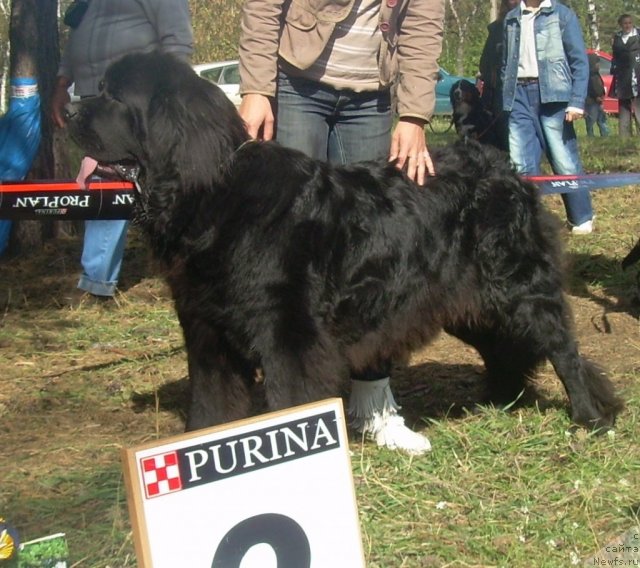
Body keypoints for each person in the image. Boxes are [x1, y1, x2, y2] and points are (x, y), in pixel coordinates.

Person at [238, 0, 445, 454]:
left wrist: (413, 115)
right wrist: (256, 86)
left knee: (375, 255)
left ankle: (373, 405)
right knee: (291, 257)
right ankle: (292, 410)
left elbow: (424, 26)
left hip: (372, 96)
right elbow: (262, 7)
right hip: (296, 84)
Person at [51, 0, 193, 300]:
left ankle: (98, 284)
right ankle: (100, 277)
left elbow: (178, 44)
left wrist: (170, 102)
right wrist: (62, 84)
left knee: (114, 185)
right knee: (97, 180)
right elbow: (76, 41)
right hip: (93, 100)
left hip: (131, 107)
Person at [501, 0, 595, 235]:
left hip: (554, 96)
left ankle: (581, 217)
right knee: (521, 163)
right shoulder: (512, 18)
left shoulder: (563, 15)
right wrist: (506, 98)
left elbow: (579, 62)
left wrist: (576, 101)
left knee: (564, 160)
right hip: (518, 96)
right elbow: (506, 62)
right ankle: (528, 222)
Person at [478, 0, 519, 151]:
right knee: (501, 132)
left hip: (524, 89)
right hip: (498, 92)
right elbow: (485, 63)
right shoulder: (497, 29)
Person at [610, 14, 640, 137]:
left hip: (637, 77)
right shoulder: (617, 38)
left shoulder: (638, 35)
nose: (627, 25)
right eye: (624, 23)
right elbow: (615, 58)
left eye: (629, 23)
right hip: (622, 79)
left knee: (638, 108)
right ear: (621, 25)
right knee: (624, 110)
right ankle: (625, 139)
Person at [584, 52, 609, 137]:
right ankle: (590, 136)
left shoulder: (596, 75)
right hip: (591, 102)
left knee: (602, 120)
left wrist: (602, 95)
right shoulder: (589, 76)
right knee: (591, 121)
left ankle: (605, 135)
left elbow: (600, 86)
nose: (598, 65)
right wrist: (596, 96)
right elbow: (591, 88)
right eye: (597, 63)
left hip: (598, 102)